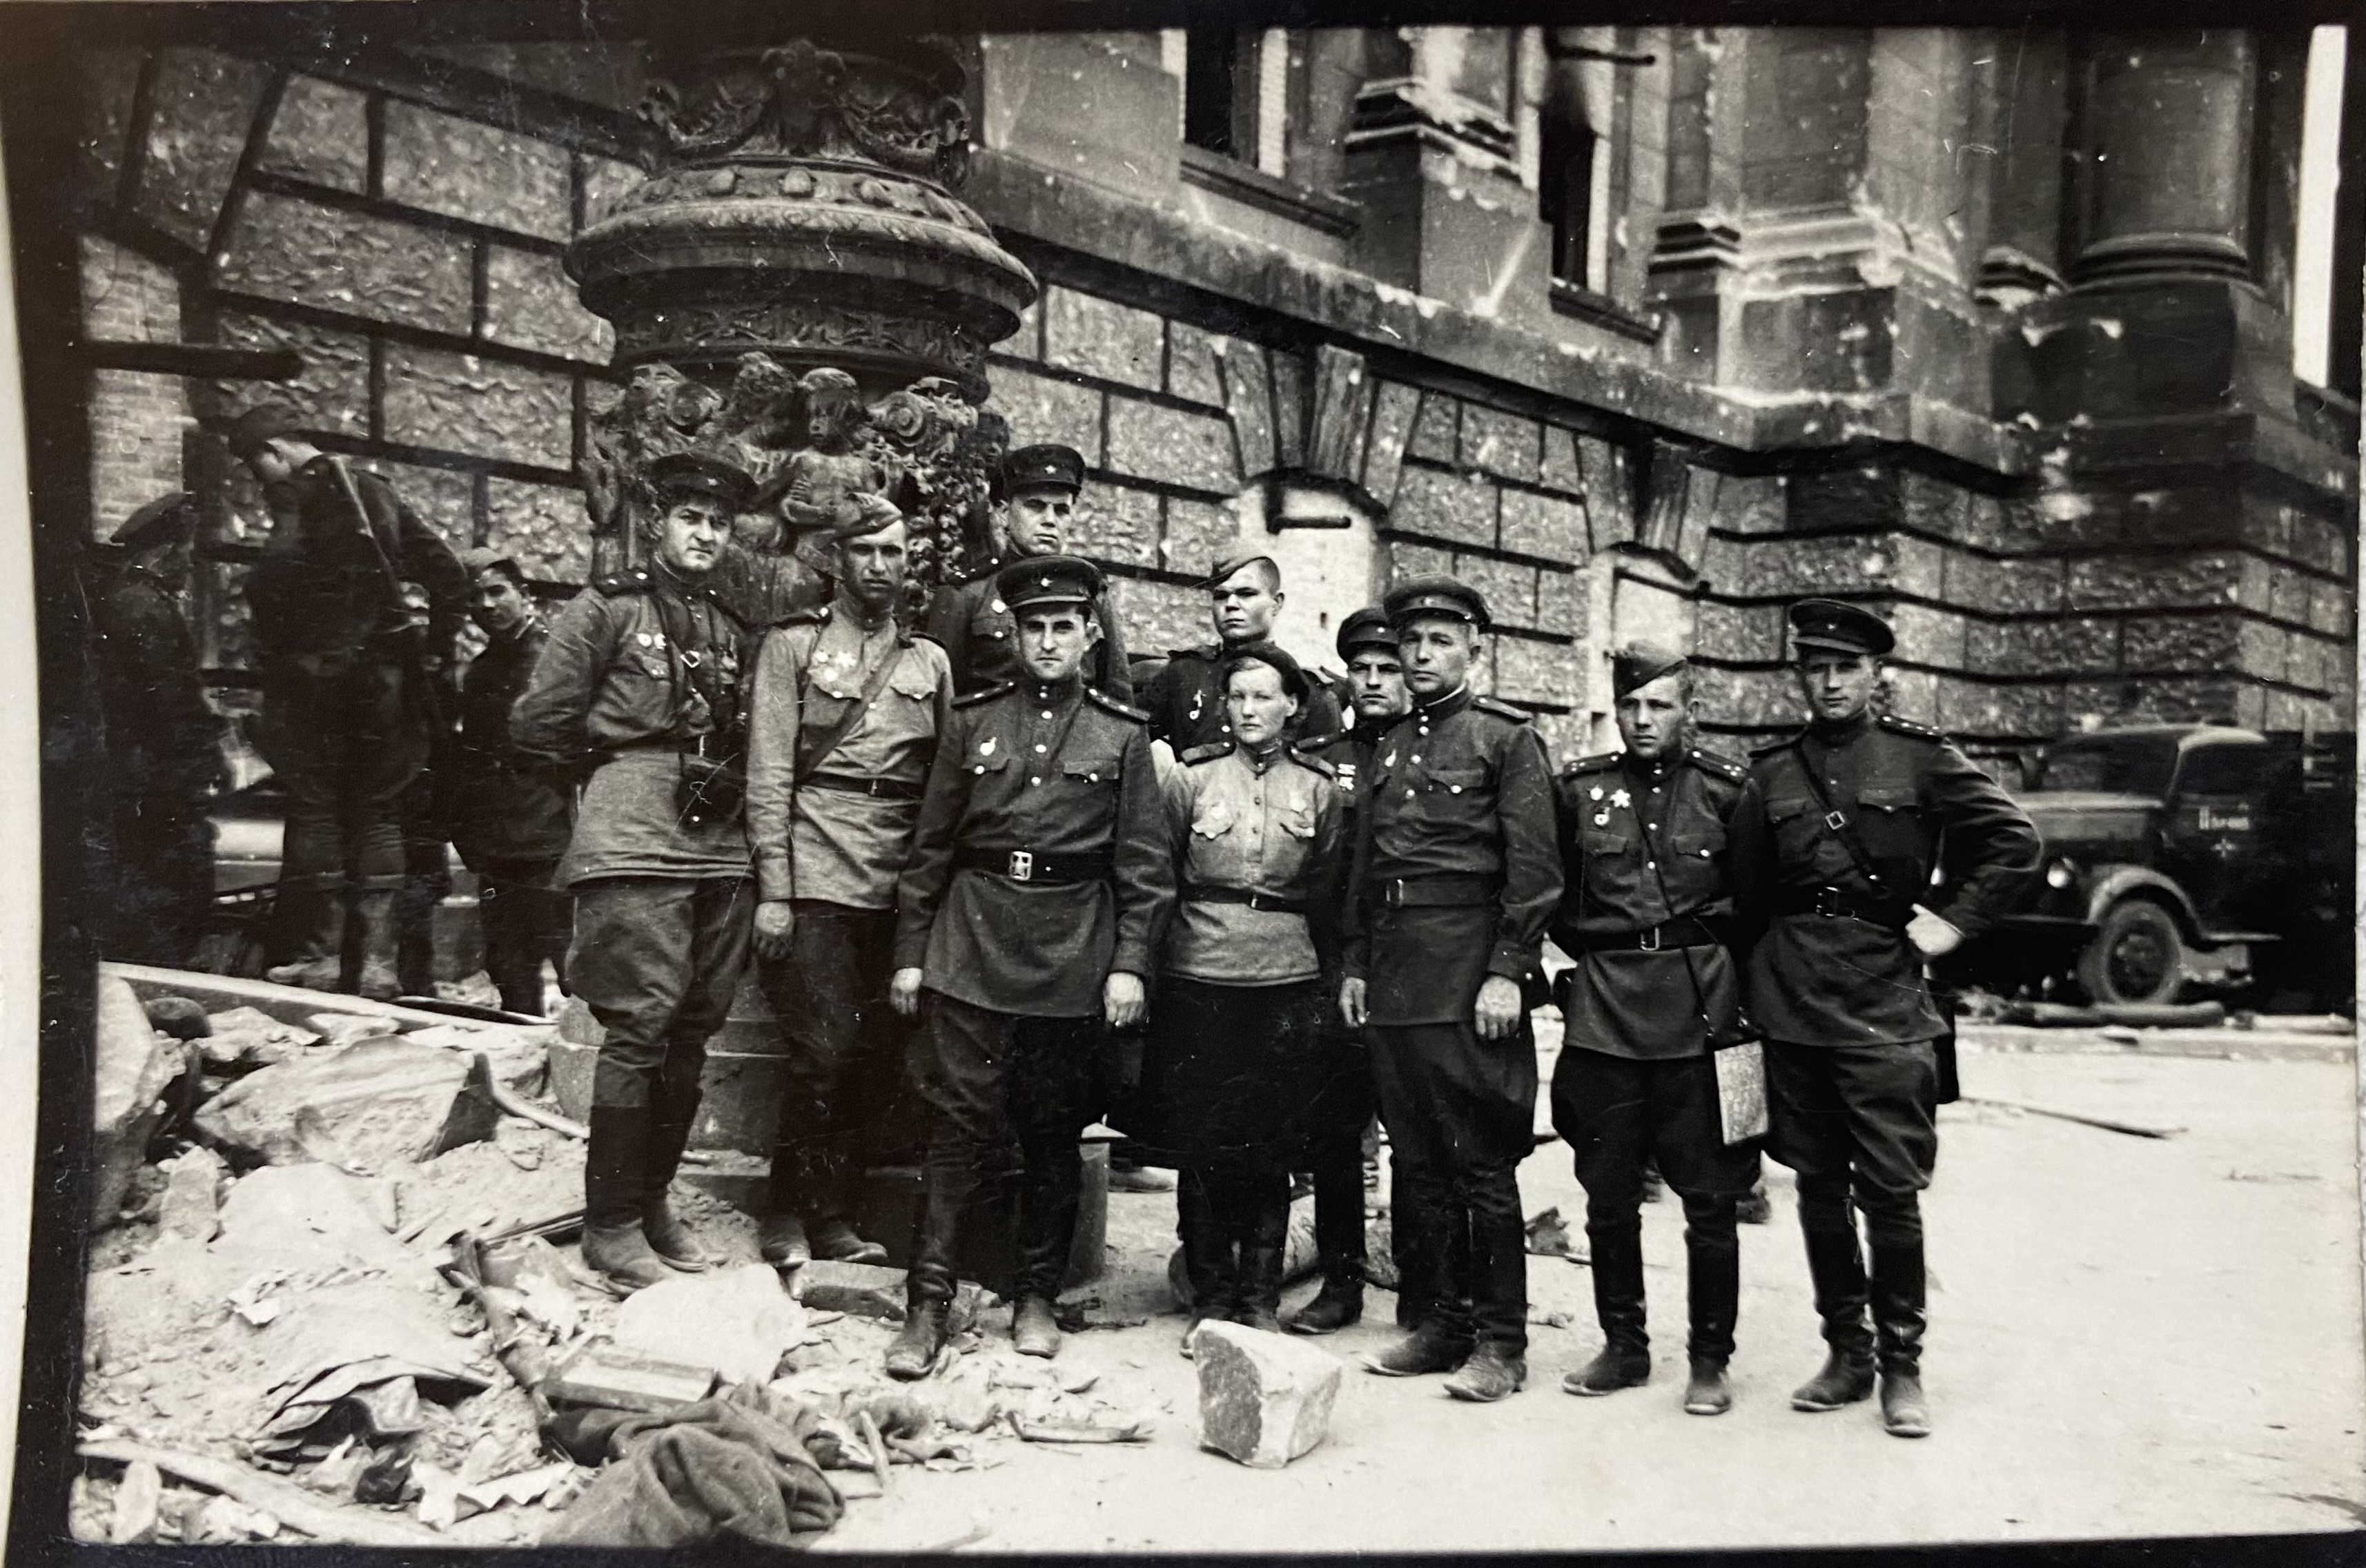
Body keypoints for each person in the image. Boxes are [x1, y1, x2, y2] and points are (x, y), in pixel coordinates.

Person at [1727, 598, 2040, 1438]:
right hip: (1792, 1000)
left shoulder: (1920, 757)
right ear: (1799, 675)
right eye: (1815, 668)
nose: (1829, 682)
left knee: (1890, 1191)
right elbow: (1747, 898)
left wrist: (1954, 921)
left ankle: (1903, 1365)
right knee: (1815, 1185)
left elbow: (2014, 841)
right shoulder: (1770, 772)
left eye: (1846, 667)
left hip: (1884, 1000)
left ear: (1876, 674)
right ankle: (1846, 1353)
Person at [884, 556, 1172, 1377]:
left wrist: (1129, 966)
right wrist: (910, 954)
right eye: (1032, 627)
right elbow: (929, 848)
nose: (1046, 642)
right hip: (970, 943)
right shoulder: (972, 719)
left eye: (1062, 627)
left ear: (1089, 636)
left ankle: (1036, 1296)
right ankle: (926, 1303)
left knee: (1051, 1130)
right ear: (1012, 635)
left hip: (1070, 951)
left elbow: (1144, 869)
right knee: (954, 1127)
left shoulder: (1121, 734)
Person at [510, 451, 761, 1291]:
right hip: (632, 838)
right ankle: (610, 1223)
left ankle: (651, 1204)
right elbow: (538, 723)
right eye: (691, 518)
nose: (705, 534)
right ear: (657, 522)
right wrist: (614, 779)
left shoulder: (730, 625)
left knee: (695, 1023)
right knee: (640, 1023)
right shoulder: (605, 608)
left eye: (718, 523)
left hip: (719, 838)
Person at [1340, 576, 1561, 1402]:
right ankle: (1443, 1325)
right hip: (1398, 977)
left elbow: (1534, 872)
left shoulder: (1506, 740)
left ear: (1474, 647)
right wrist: (1356, 963)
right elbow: (1366, 869)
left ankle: (1501, 1342)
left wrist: (1508, 971)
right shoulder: (1390, 743)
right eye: (1410, 641)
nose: (1421, 655)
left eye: (1439, 641)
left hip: (1469, 975)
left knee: (1481, 1165)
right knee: (1420, 1163)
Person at [743, 495, 955, 1269]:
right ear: (837, 560)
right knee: (823, 1051)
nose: (879, 566)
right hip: (816, 873)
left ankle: (835, 1215)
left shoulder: (929, 663)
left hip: (896, 883)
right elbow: (769, 772)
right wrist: (775, 890)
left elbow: (943, 787)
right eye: (864, 550)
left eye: (893, 551)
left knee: (875, 1058)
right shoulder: (794, 647)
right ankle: (786, 1214)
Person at [1549, 643, 1757, 1416]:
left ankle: (1709, 1359)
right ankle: (1623, 1346)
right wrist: (1606, 955)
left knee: (1711, 1200)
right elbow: (1559, 898)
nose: (1643, 720)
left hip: (1700, 1013)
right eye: (1631, 705)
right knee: (1607, 1195)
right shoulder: (1580, 790)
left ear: (1687, 712)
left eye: (1659, 706)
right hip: (1605, 1013)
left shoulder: (1727, 791)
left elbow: (1754, 905)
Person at [224, 403, 467, 999]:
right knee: (380, 813)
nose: (259, 482)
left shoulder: (297, 498)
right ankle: (379, 965)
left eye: (258, 467)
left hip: (316, 688)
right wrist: (436, 652)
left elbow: (273, 577)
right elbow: (447, 573)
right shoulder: (375, 492)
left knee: (316, 809)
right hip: (386, 689)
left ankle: (326, 958)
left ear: (276, 452)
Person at [1141, 644, 1343, 1352]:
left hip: (1284, 979)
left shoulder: (1318, 789)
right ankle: (1211, 1295)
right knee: (1204, 1143)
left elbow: (1328, 891)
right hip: (1200, 974)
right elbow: (1160, 876)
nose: (1249, 710)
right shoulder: (1192, 779)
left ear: (1292, 705)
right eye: (1237, 697)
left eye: (1263, 696)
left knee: (1271, 1143)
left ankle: (1258, 1299)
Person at [1283, 605, 1405, 1335]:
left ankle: (1425, 1279)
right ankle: (1340, 1281)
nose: (1374, 681)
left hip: (1417, 964)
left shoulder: (1433, 754)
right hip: (1332, 968)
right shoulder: (1322, 759)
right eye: (1361, 669)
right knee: (1333, 1130)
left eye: (1389, 668)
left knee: (1418, 1133)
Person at [86, 492, 225, 966]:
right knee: (171, 866)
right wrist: (207, 754)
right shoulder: (145, 608)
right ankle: (162, 965)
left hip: (135, 764)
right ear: (166, 553)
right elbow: (170, 699)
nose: (190, 565)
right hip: (154, 768)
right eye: (186, 554)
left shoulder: (127, 599)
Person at [449, 547, 573, 1017]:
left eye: (497, 591)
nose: (486, 605)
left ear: (524, 595)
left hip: (549, 836)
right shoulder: (482, 671)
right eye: (474, 598)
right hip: (499, 843)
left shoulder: (557, 661)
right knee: (508, 963)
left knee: (570, 959)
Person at [924, 444, 1132, 701]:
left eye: (1061, 510)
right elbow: (941, 700)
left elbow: (1118, 696)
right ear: (1004, 514)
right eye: (1036, 506)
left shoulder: (1093, 595)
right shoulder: (967, 595)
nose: (1050, 520)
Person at [1140, 553, 1345, 752]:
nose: (1231, 605)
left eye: (1246, 594)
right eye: (1221, 596)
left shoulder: (1310, 693)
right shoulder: (1183, 674)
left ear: (1277, 603)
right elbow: (1131, 741)